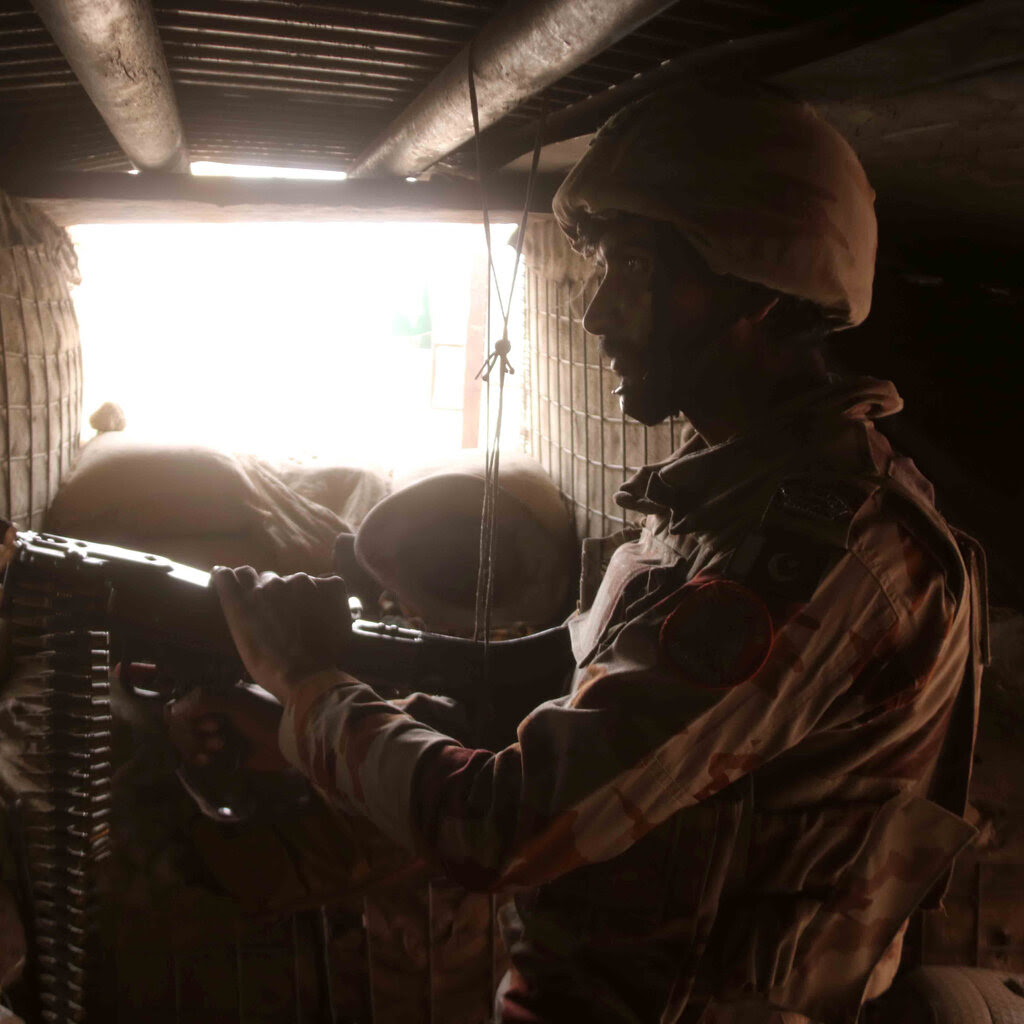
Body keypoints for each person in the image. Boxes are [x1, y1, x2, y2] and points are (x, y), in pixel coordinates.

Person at [170, 84, 987, 1024]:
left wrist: (312, 689)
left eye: (632, 267)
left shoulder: (817, 552)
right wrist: (306, 721)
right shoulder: (715, 501)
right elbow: (577, 709)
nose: (598, 311)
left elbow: (509, 827)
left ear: (760, 293)